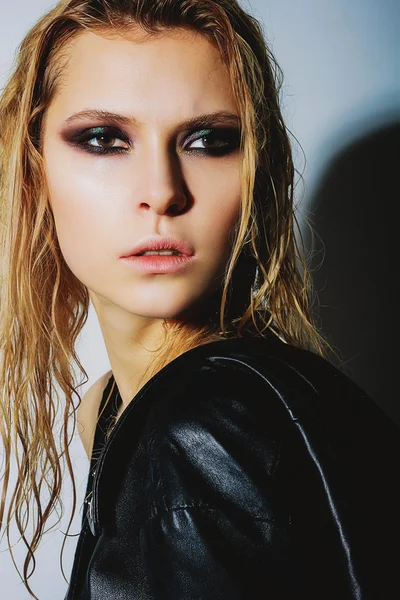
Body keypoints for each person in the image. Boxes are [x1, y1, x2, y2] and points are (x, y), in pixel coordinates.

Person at [0, 1, 398, 599]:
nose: (162, 192)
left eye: (209, 141)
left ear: (257, 174)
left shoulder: (206, 428)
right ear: (33, 171)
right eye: (105, 139)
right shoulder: (136, 413)